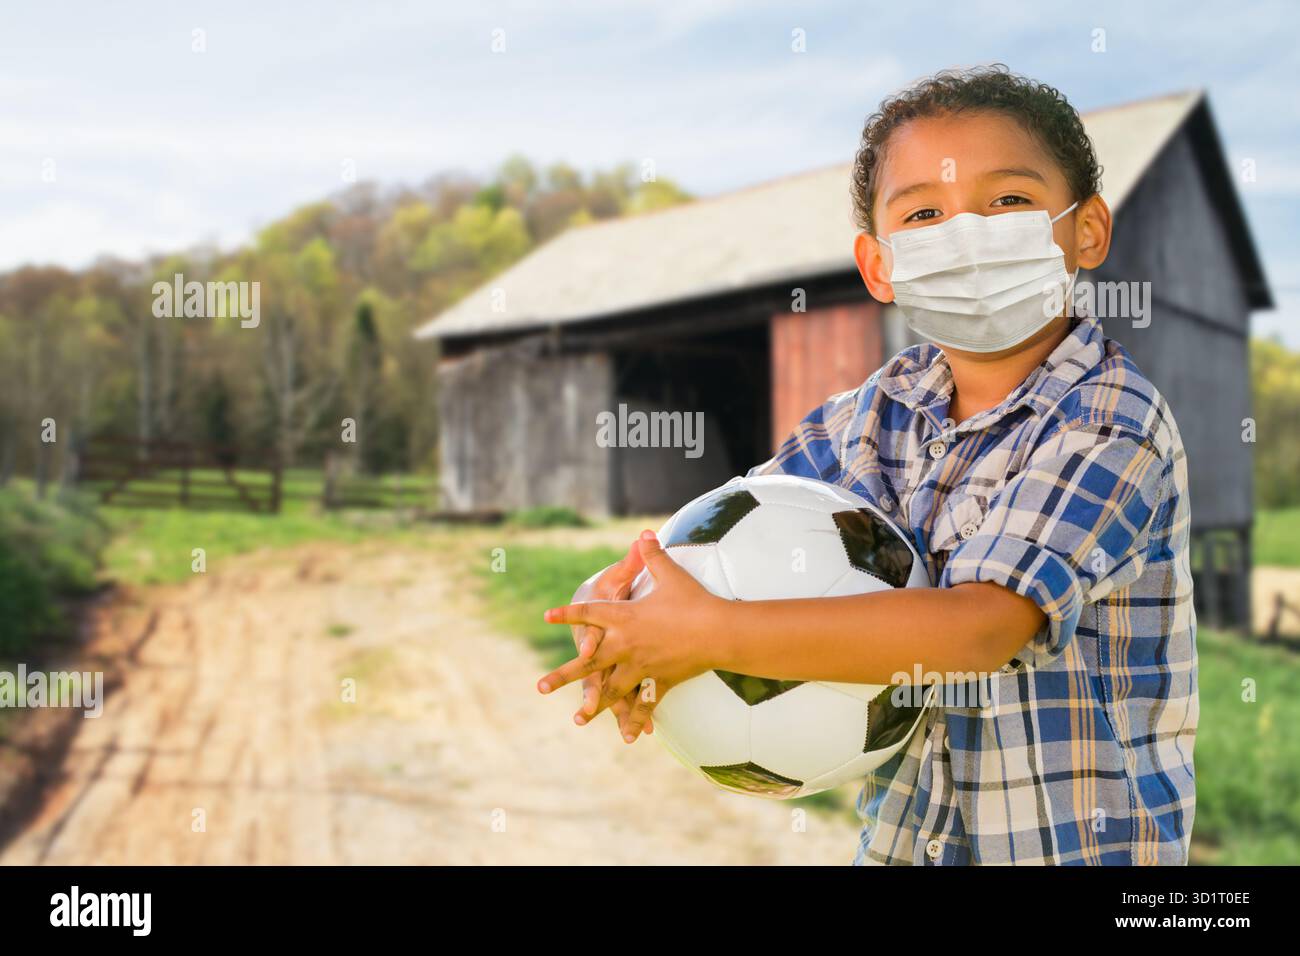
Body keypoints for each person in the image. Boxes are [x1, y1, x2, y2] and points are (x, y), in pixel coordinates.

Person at [538, 65, 1198, 866]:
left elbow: (982, 630)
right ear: (880, 265)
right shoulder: (870, 415)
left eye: (1009, 201)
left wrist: (713, 634)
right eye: (924, 213)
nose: (966, 234)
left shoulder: (1110, 419)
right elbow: (731, 539)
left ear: (1087, 229)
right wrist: (623, 614)